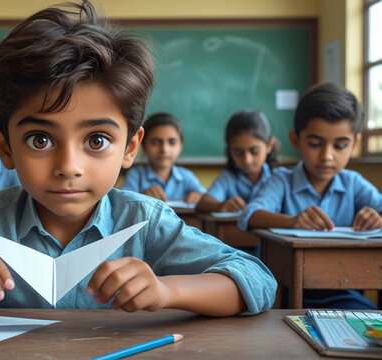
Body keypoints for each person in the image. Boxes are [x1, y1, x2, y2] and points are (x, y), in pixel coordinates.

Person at [0, 1, 276, 316]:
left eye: (96, 140)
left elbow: (256, 280)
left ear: (130, 147)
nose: (68, 165)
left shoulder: (145, 223)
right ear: (5, 147)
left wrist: (169, 292)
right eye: (40, 139)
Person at [239, 83, 382, 309]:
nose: (327, 156)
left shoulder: (353, 183)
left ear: (354, 144)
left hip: (342, 294)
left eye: (340, 145)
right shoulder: (282, 181)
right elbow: (250, 215)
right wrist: (293, 221)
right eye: (315, 144)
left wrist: (378, 218)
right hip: (282, 295)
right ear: (296, 140)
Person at [196, 110, 278, 213]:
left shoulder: (278, 178)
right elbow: (203, 203)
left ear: (269, 145)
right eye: (238, 152)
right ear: (229, 150)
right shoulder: (228, 178)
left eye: (254, 151)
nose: (247, 160)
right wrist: (220, 206)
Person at [121, 112, 205, 204]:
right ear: (143, 146)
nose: (164, 149)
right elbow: (124, 204)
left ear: (181, 146)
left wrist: (200, 197)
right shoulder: (136, 175)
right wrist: (141, 197)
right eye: (155, 142)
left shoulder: (187, 177)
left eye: (172, 142)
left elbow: (207, 198)